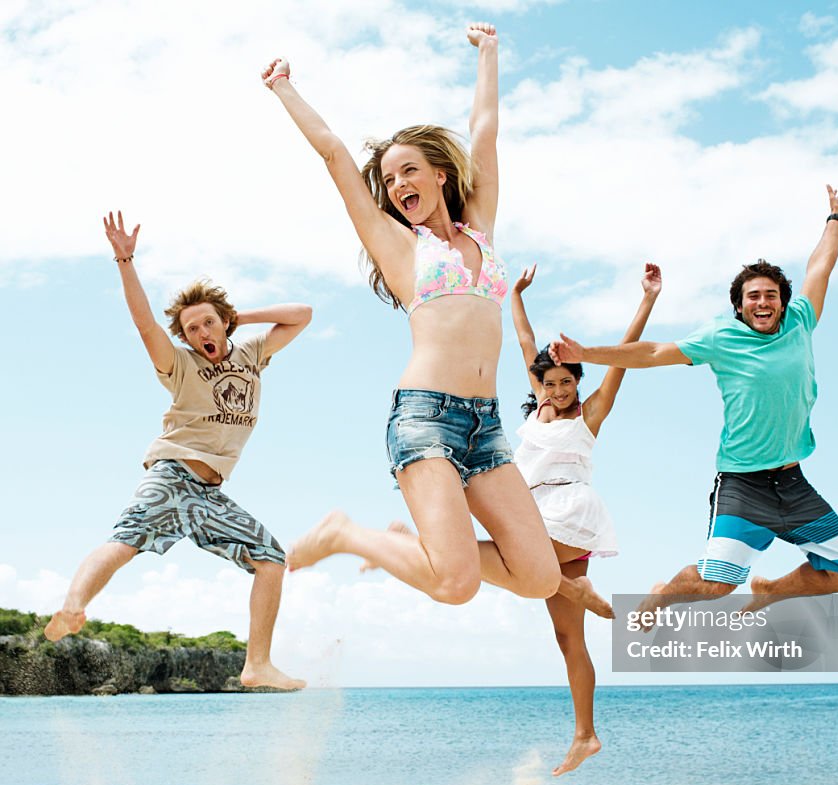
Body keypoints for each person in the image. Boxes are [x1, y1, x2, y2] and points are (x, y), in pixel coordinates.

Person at [261, 23, 560, 606]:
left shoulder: (480, 229)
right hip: (426, 417)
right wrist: (283, 88)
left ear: (440, 175)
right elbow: (334, 154)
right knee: (455, 585)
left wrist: (490, 54)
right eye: (390, 179)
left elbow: (485, 133)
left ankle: (425, 545)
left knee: (540, 576)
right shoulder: (400, 246)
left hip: (486, 425)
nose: (397, 185)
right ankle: (345, 533)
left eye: (409, 171)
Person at [551, 186, 838, 614]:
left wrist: (836, 220)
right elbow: (655, 353)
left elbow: (821, 266)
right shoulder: (722, 337)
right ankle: (663, 594)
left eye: (770, 295)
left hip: (793, 482)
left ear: (783, 302)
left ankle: (772, 590)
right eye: (752, 296)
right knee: (718, 586)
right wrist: (586, 354)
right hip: (742, 482)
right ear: (739, 306)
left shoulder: (801, 320)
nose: (762, 302)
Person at [44, 212, 311, 691]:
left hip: (209, 495)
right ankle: (72, 605)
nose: (201, 333)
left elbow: (303, 314)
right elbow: (146, 325)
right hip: (172, 475)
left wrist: (236, 319)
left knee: (270, 559)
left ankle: (257, 666)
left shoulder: (251, 353)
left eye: (208, 323)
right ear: (184, 339)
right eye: (191, 328)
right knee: (126, 539)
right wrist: (125, 260)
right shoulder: (180, 364)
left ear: (223, 323)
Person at [512, 262, 661, 775]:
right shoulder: (535, 412)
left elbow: (623, 359)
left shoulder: (589, 414)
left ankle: (577, 590)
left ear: (578, 380)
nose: (556, 391)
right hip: (536, 513)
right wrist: (516, 295)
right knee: (567, 638)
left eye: (564, 382)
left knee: (515, 568)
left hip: (568, 511)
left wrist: (647, 300)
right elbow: (524, 337)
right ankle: (585, 735)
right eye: (548, 383)